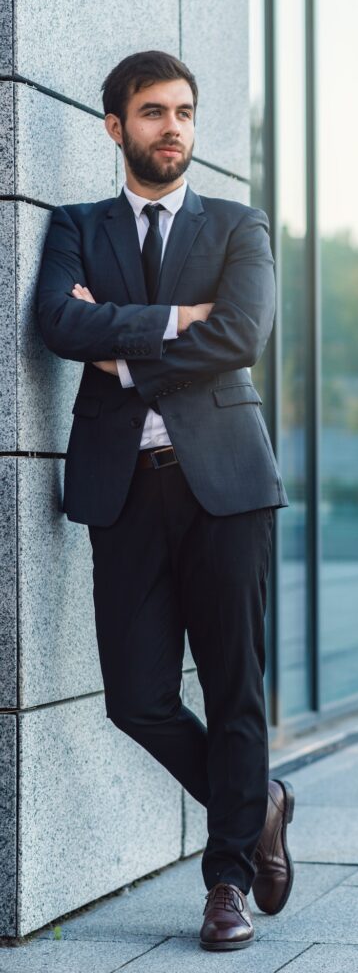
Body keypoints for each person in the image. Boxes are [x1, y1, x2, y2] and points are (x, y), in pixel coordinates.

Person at [36, 50, 295, 952]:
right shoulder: (76, 225)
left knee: (235, 691)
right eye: (152, 112)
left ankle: (225, 884)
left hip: (225, 487)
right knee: (136, 698)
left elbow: (243, 334)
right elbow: (54, 322)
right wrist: (174, 320)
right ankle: (256, 801)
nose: (172, 127)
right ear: (117, 127)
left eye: (183, 110)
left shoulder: (236, 226)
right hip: (125, 492)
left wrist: (124, 345)